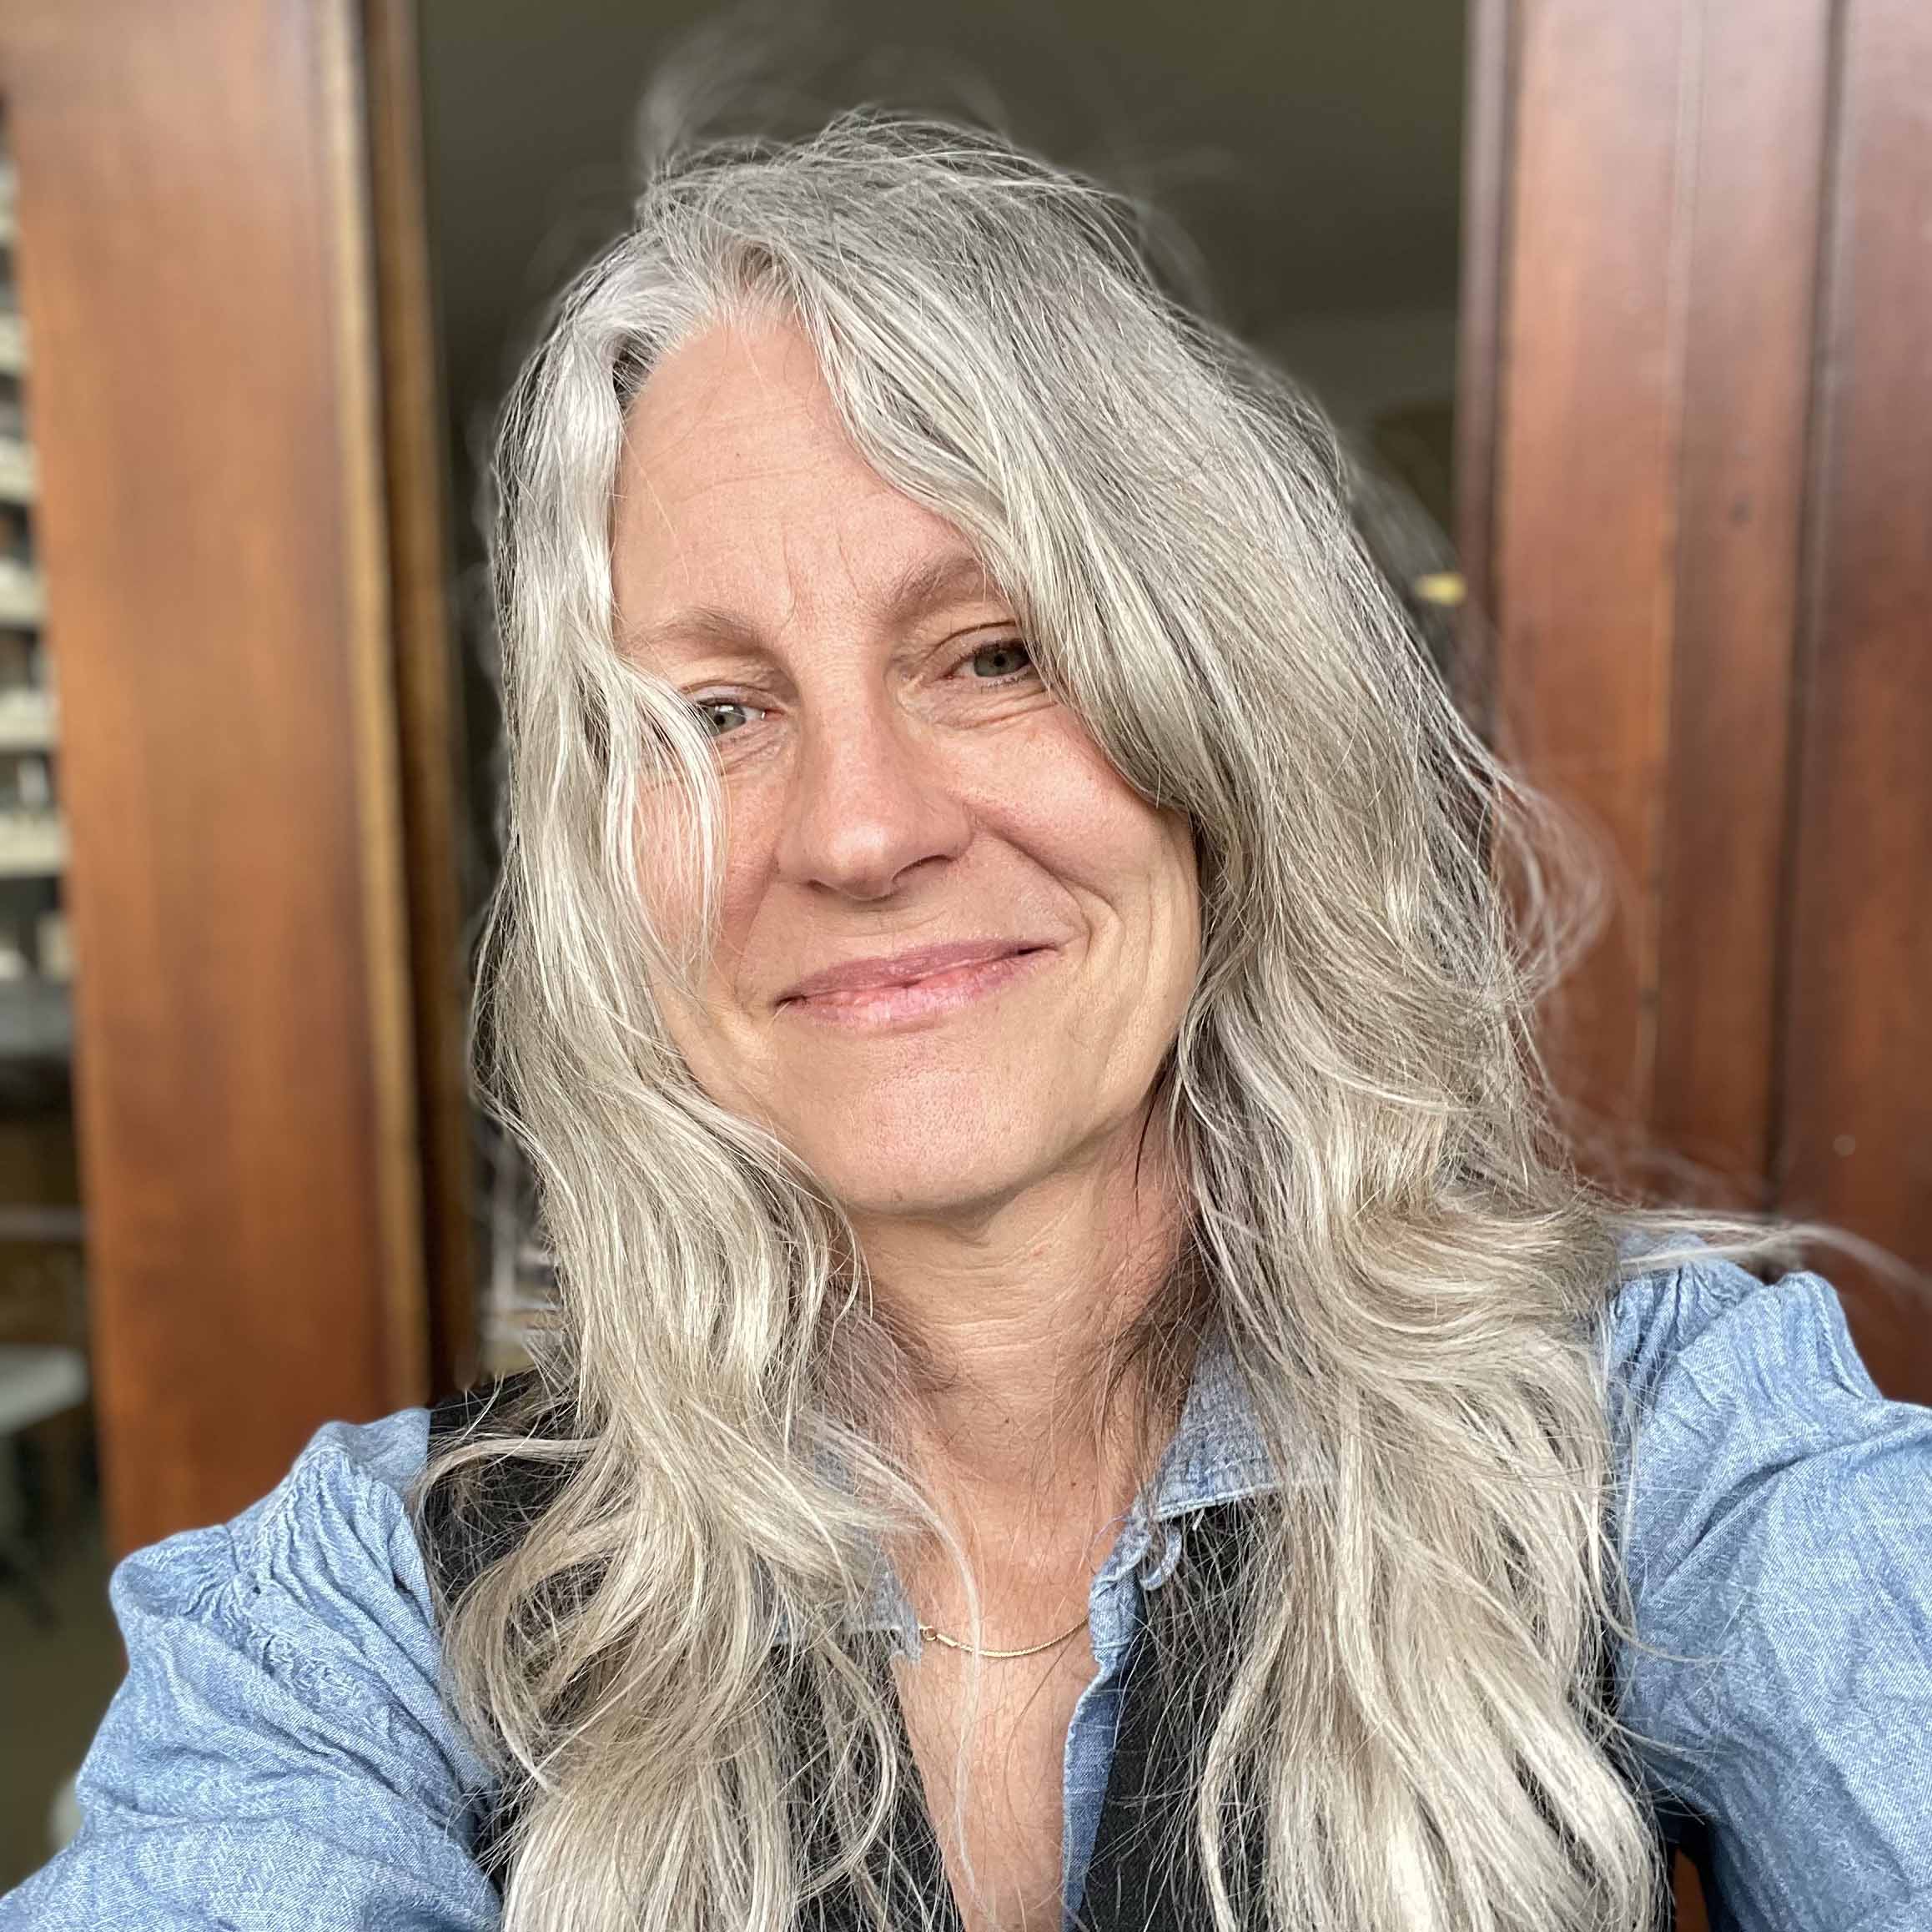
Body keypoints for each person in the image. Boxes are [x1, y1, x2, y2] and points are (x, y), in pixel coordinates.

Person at [4, 112, 1930, 1932]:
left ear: (1227, 730)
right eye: (718, 713)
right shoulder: (365, 1613)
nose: (857, 832)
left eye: (996, 654)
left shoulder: (1668, 1443)